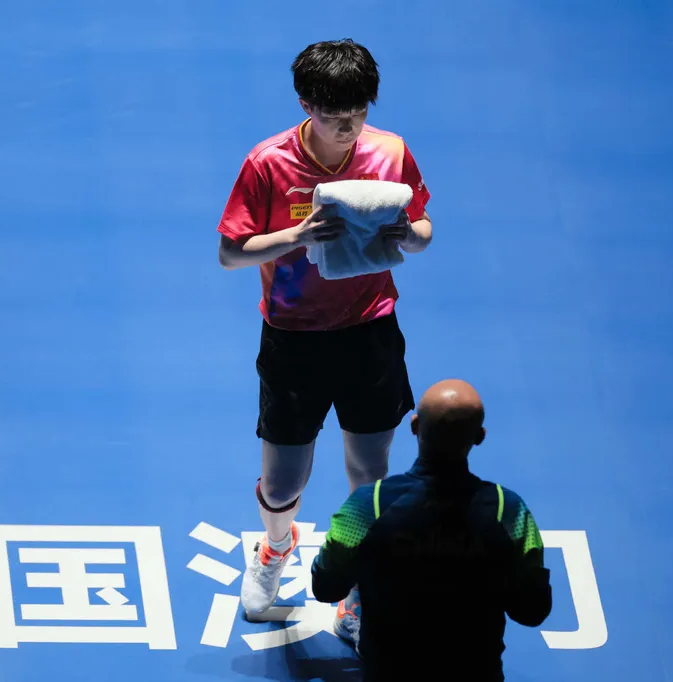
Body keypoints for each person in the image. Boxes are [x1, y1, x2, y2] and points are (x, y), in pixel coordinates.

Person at [215, 38, 433, 622]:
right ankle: (276, 545)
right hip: (294, 336)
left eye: (359, 114)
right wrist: (298, 237)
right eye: (335, 118)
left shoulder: (389, 153)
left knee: (370, 471)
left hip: (370, 331)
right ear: (307, 104)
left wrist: (407, 239)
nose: (349, 128)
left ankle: (359, 580)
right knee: (283, 482)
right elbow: (231, 253)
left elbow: (423, 225)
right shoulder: (269, 163)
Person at [309, 379, 553, 680]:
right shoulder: (508, 510)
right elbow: (533, 609)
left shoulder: (368, 506)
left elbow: (325, 586)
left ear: (414, 426)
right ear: (479, 436)